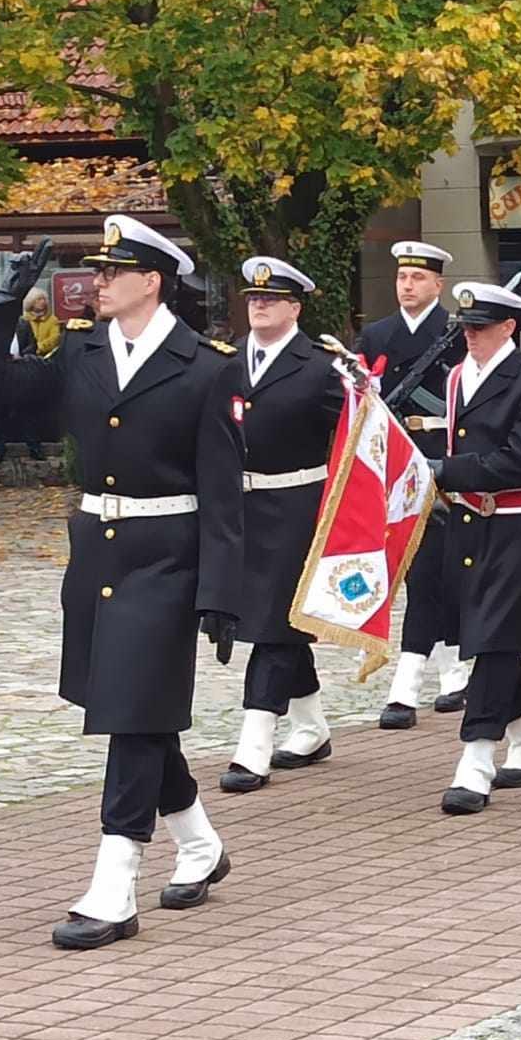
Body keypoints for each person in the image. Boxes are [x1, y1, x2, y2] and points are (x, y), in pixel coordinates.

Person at [0, 217, 247, 947]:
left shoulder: (207, 366)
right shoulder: (82, 353)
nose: (97, 280)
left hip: (169, 552)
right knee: (140, 709)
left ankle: (115, 880)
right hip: (97, 553)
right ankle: (200, 842)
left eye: (112, 270)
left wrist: (221, 589)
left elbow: (223, 490)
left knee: (131, 713)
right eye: (97, 268)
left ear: (152, 281)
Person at [423, 282, 521, 812]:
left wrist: (446, 470)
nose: (471, 337)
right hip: (469, 521)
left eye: (480, 328)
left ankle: (477, 757)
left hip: (520, 522)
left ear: (509, 328)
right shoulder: (459, 375)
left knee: (497, 638)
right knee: (482, 632)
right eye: (465, 328)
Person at [220, 255, 348, 792]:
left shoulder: (320, 368)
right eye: (253, 299)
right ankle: (311, 727)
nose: (259, 306)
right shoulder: (227, 364)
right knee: (279, 621)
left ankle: (254, 743)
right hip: (239, 509)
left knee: (272, 623)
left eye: (270, 299)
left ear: (294, 307)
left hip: (298, 507)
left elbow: (357, 439)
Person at [355, 242, 464, 728]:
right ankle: (451, 669)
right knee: (418, 567)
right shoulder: (377, 334)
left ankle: (412, 679)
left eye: (419, 278)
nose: (407, 285)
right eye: (402, 277)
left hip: (443, 460)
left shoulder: (458, 333)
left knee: (436, 568)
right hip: (396, 462)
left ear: (438, 285)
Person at [0, 289, 59, 463]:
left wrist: (22, 356)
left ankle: (34, 448)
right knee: (1, 413)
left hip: (21, 374)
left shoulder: (23, 324)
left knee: (27, 413)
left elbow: (33, 345)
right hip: (2, 375)